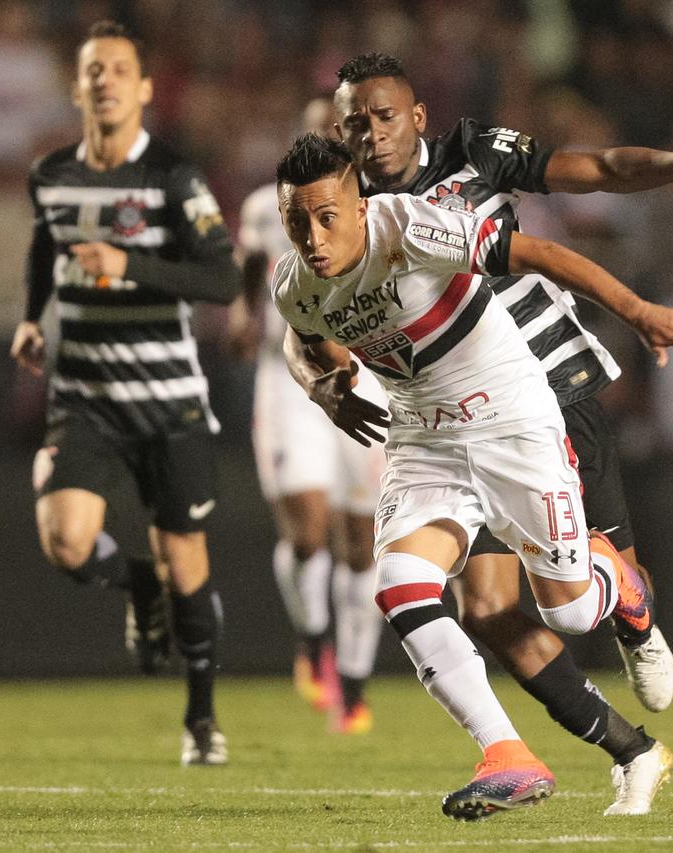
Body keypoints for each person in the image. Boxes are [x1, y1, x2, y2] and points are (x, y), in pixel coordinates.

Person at [329, 51, 673, 801]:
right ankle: (626, 749)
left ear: (416, 117)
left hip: (553, 387)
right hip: (454, 420)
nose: (371, 133)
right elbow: (309, 304)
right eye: (356, 121)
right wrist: (326, 380)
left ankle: (632, 612)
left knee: (585, 599)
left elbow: (600, 167)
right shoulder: (345, 208)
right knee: (486, 608)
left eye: (384, 116)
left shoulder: (471, 153)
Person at [272, 134, 673, 819]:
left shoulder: (411, 227)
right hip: (424, 440)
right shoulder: (295, 282)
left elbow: (539, 254)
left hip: (512, 419)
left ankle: (617, 585)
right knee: (398, 585)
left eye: (326, 216)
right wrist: (320, 383)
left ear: (361, 206)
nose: (312, 236)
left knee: (569, 610)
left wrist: (638, 312)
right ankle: (506, 754)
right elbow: (300, 336)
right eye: (296, 222)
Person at [9, 21, 239, 766]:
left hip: (168, 401)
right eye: (92, 70)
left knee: (188, 564)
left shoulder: (175, 177)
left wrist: (131, 265)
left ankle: (201, 717)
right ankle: (136, 581)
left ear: (144, 87)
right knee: (66, 541)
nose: (104, 80)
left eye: (119, 69)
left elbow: (223, 277)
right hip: (85, 398)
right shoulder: (50, 175)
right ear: (77, 89)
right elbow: (46, 245)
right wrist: (29, 318)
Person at [233, 99, 386, 734]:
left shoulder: (376, 206)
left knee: (362, 543)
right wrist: (245, 313)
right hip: (288, 375)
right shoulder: (268, 205)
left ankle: (351, 685)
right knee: (307, 529)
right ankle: (312, 640)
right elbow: (250, 265)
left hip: (365, 374)